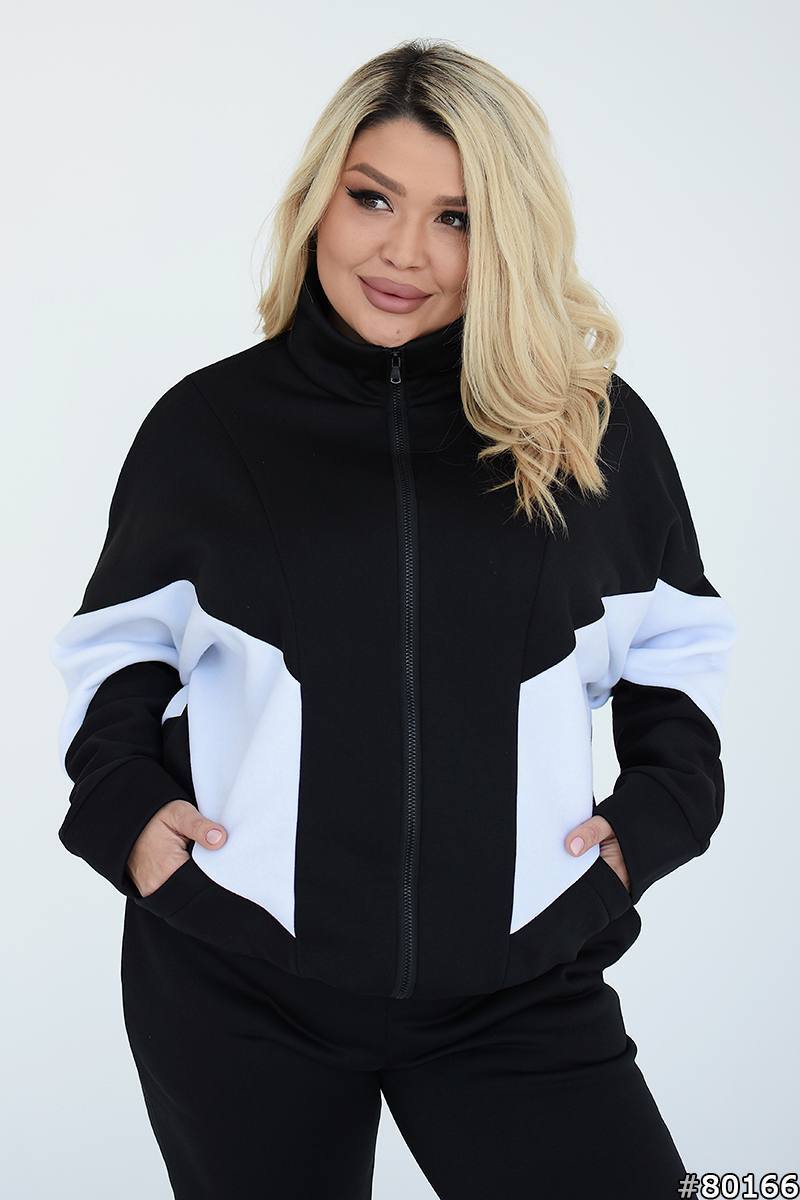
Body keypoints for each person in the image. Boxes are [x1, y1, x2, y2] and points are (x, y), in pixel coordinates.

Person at [49, 38, 737, 1200]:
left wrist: (653, 820)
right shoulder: (210, 428)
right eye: (372, 198)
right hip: (240, 980)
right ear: (319, 200)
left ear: (506, 235)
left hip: (516, 990)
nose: (404, 252)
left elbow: (672, 639)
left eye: (456, 218)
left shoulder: (587, 431)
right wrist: (128, 815)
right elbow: (124, 645)